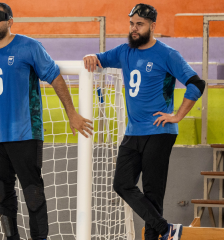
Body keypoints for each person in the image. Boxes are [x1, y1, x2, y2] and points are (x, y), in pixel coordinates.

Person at [0, 2, 93, 240]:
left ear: (10, 21)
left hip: (25, 135)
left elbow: (55, 77)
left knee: (33, 194)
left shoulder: (29, 46)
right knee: (3, 195)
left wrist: (71, 113)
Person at [83, 3, 205, 240]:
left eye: (139, 24)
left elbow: (196, 84)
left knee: (152, 193)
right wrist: (91, 57)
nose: (134, 29)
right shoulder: (123, 51)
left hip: (160, 131)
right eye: (131, 24)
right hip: (133, 133)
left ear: (152, 26)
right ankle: (166, 229)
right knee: (122, 184)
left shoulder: (167, 54)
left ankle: (157, 233)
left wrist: (177, 116)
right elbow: (99, 59)